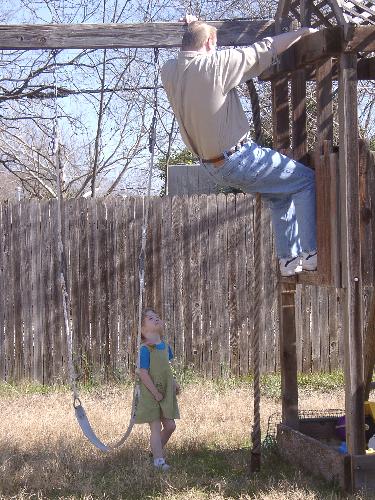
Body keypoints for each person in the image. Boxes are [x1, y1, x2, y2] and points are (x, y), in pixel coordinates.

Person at [161, 16, 318, 276]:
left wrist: (193, 27)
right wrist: (302, 32)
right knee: (304, 181)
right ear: (211, 42)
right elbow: (264, 48)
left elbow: (189, 49)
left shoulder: (169, 71)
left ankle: (288, 260)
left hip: (213, 165)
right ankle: (311, 253)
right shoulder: (215, 66)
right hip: (239, 158)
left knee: (278, 195)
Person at [134, 308, 180, 471]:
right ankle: (158, 461)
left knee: (170, 426)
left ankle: (154, 451)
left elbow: (167, 369)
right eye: (150, 318)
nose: (155, 319)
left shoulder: (165, 347)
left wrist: (173, 383)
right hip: (150, 392)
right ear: (142, 329)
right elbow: (144, 374)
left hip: (164, 392)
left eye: (157, 317)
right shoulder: (145, 349)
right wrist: (155, 393)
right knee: (155, 427)